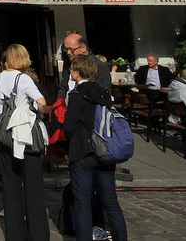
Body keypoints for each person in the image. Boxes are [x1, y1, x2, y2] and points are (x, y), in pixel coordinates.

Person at [0, 43, 48, 241]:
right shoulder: (24, 79)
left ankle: (14, 235)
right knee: (33, 187)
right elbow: (41, 102)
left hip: (5, 135)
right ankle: (38, 234)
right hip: (24, 134)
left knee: (10, 186)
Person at [65, 55, 128, 241]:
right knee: (110, 201)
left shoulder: (77, 94)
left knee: (82, 202)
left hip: (83, 151)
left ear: (77, 72)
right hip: (105, 150)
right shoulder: (103, 93)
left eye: (71, 69)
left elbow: (69, 125)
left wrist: (73, 142)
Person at [59, 34, 112, 101]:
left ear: (83, 48)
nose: (68, 52)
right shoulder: (68, 63)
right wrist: (59, 102)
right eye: (66, 49)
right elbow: (64, 87)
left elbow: (102, 96)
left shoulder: (99, 66)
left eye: (71, 49)